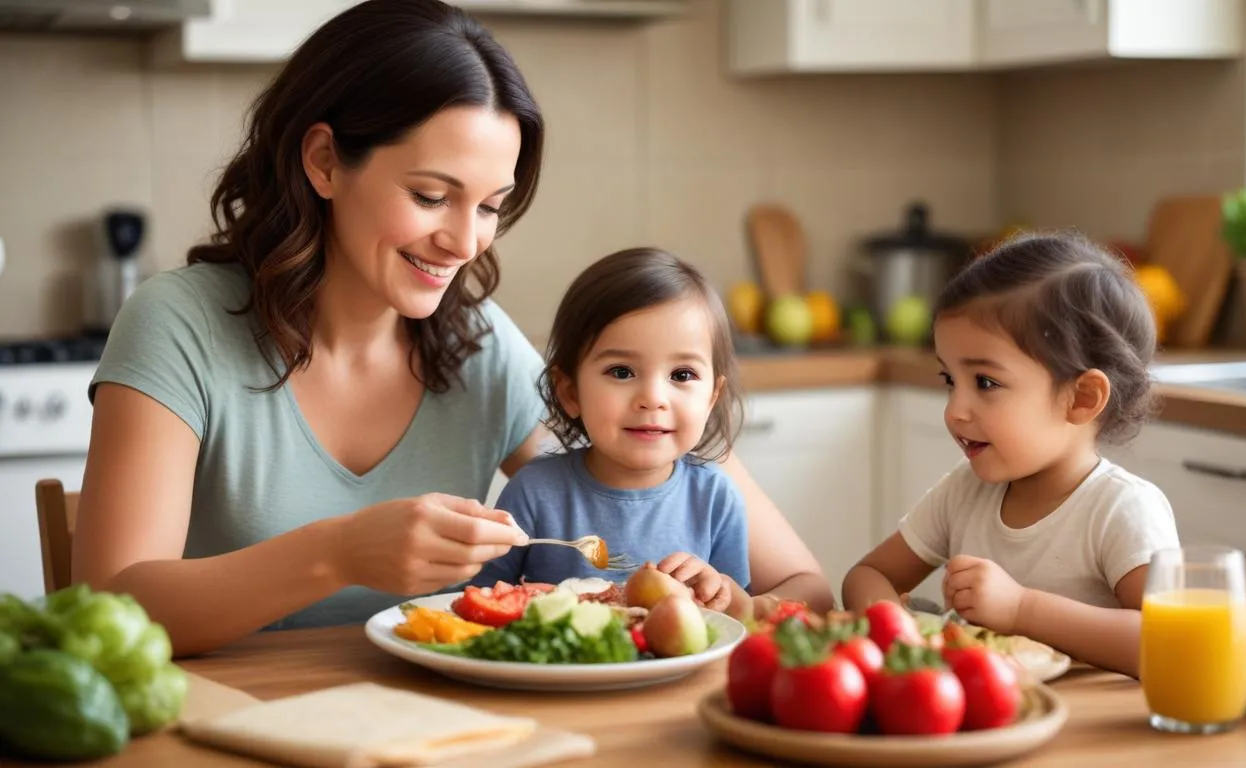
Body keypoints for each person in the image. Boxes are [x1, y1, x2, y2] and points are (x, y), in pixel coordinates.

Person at [71, 0, 832, 657]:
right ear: (326, 161)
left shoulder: (475, 343)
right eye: (433, 196)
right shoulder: (178, 326)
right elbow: (109, 607)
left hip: (435, 729)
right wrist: (336, 554)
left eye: (492, 205)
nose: (467, 242)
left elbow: (663, 489)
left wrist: (709, 557)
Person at [841, 232, 1179, 678]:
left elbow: (1169, 643)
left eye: (984, 383)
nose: (955, 411)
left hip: (1083, 735)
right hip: (977, 719)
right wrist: (897, 629)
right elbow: (865, 575)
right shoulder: (963, 493)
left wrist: (1021, 608)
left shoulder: (1122, 509)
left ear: (1081, 398)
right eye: (950, 381)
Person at [470, 248, 753, 618]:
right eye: (621, 372)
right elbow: (483, 601)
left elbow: (739, 620)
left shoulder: (715, 497)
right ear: (570, 393)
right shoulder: (534, 492)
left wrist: (723, 593)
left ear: (712, 398)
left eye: (682, 375)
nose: (653, 398)